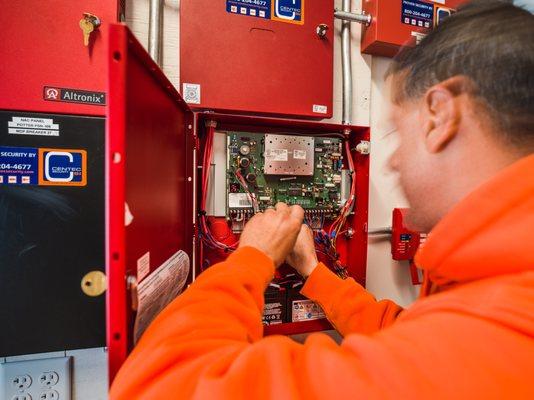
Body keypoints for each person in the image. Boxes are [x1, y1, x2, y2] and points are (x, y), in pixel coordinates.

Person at [110, 1, 534, 398]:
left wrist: (252, 256)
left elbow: (162, 384)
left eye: (398, 136)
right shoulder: (497, 289)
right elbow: (400, 331)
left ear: (441, 115)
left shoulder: (482, 344)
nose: (393, 165)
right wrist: (312, 270)